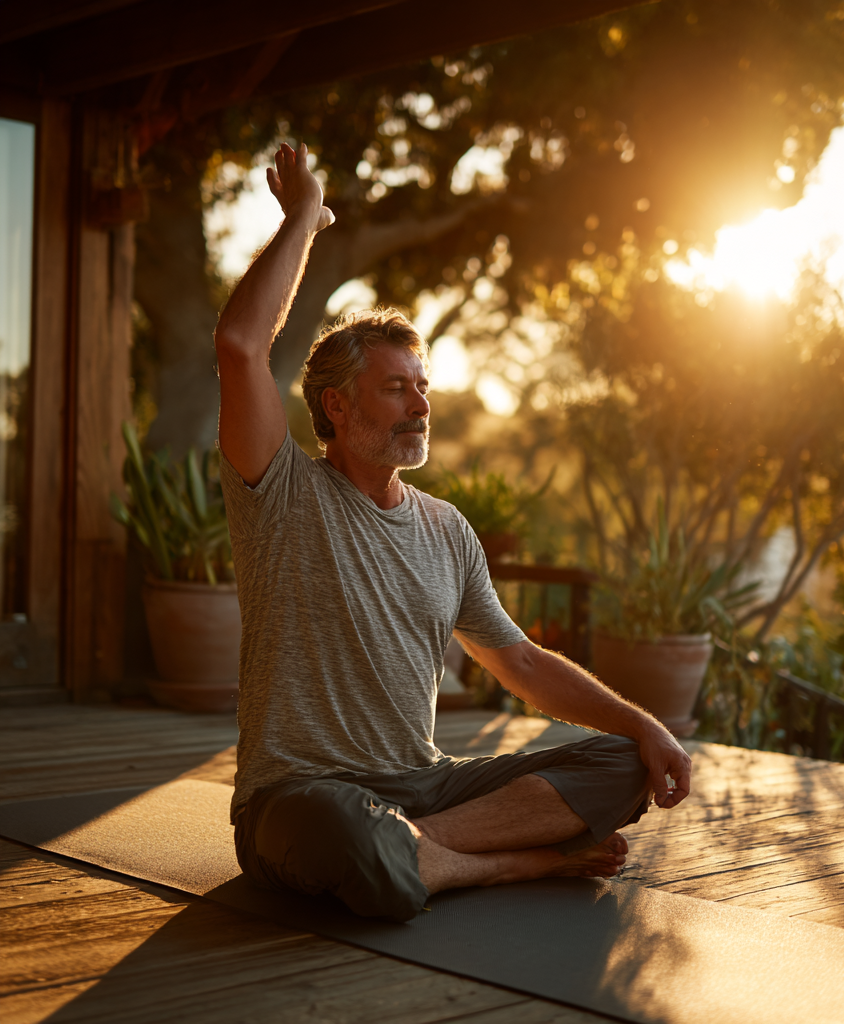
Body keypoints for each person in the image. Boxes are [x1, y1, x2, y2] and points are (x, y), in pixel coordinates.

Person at [216, 142, 692, 922]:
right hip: (303, 793)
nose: (420, 406)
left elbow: (523, 663)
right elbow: (239, 347)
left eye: (423, 387)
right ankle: (504, 863)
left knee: (619, 763)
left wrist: (645, 726)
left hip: (423, 783)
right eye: (396, 389)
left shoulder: (445, 528)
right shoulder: (282, 492)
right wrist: (306, 217)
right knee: (333, 829)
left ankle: (415, 852)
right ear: (336, 407)